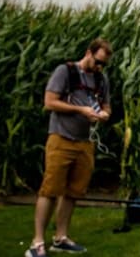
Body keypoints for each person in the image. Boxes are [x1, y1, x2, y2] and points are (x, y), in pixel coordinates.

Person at [26, 38, 113, 257]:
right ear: (88, 53)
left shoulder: (101, 79)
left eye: (104, 64)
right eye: (98, 62)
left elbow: (107, 106)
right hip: (61, 138)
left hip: (85, 142)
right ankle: (37, 242)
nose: (100, 67)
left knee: (73, 192)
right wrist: (81, 110)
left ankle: (61, 238)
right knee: (50, 190)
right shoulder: (65, 71)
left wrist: (104, 115)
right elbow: (50, 102)